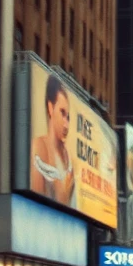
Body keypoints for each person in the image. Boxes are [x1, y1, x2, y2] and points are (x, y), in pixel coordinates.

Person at [31, 73, 75, 206]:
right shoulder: (38, 147)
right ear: (50, 108)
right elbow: (36, 197)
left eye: (68, 117)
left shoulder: (69, 160)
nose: (66, 125)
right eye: (62, 113)